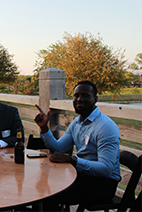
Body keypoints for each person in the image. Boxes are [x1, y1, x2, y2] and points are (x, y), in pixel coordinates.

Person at [34, 80, 121, 209]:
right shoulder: (77, 123)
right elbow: (59, 147)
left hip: (103, 184)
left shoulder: (105, 127)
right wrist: (44, 128)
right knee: (40, 183)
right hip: (83, 175)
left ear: (95, 99)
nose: (79, 99)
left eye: (85, 95)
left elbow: (106, 170)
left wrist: (73, 160)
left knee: (49, 192)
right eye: (76, 96)